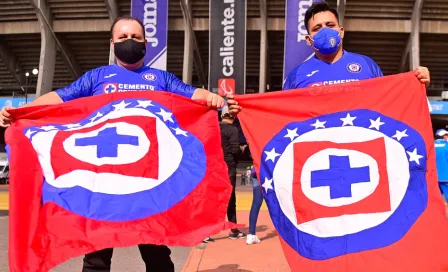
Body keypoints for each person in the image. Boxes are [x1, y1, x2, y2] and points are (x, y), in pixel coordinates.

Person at [0, 15, 225, 272]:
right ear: (112, 43)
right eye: (123, 37)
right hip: (103, 182)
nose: (129, 42)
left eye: (135, 37)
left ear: (145, 42)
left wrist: (211, 97)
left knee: (157, 254)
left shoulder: (160, 79)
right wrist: (23, 110)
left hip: (149, 181)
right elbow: (61, 98)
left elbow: (191, 94)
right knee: (96, 258)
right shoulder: (97, 77)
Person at [227, 2, 431, 115]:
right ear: (308, 39)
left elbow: (390, 102)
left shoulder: (367, 65)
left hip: (365, 148)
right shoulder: (298, 75)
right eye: (317, 28)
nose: (325, 31)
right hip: (318, 154)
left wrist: (416, 84)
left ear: (341, 31)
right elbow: (280, 114)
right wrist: (245, 109)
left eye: (330, 26)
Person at [220, 113, 246, 239]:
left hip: (215, 166)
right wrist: (241, 151)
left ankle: (206, 233)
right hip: (228, 166)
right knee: (230, 199)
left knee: (213, 199)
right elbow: (235, 149)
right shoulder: (232, 129)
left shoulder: (215, 127)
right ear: (234, 118)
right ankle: (233, 230)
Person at [246, 164, 263, 245]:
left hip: (256, 170)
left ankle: (251, 234)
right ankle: (285, 232)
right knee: (276, 204)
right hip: (267, 171)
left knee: (256, 203)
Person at [434, 129, 448, 202]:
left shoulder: (430, 145)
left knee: (435, 199)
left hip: (434, 176)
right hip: (446, 176)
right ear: (444, 136)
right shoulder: (447, 146)